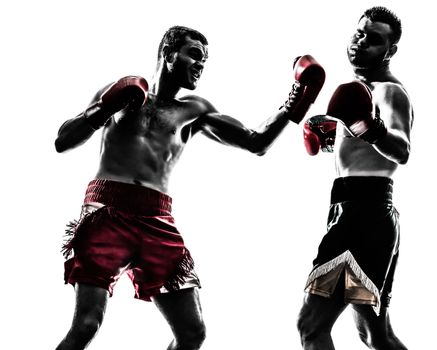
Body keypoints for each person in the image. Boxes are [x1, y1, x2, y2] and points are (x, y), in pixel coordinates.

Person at [54, 26, 325, 350]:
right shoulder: (121, 93)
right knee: (86, 324)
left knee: (192, 332)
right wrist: (104, 107)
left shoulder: (194, 111)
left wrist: (297, 100)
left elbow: (257, 142)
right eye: (194, 54)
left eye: (205, 59)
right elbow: (63, 140)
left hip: (157, 219)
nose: (201, 64)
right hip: (106, 212)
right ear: (168, 54)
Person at [298, 6, 413, 350]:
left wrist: (365, 126)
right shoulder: (363, 90)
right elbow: (367, 153)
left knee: (311, 327)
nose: (361, 42)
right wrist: (332, 140)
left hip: (361, 214)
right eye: (360, 33)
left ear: (389, 51)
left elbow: (402, 149)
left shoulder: (389, 91)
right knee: (375, 335)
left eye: (374, 40)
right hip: (362, 210)